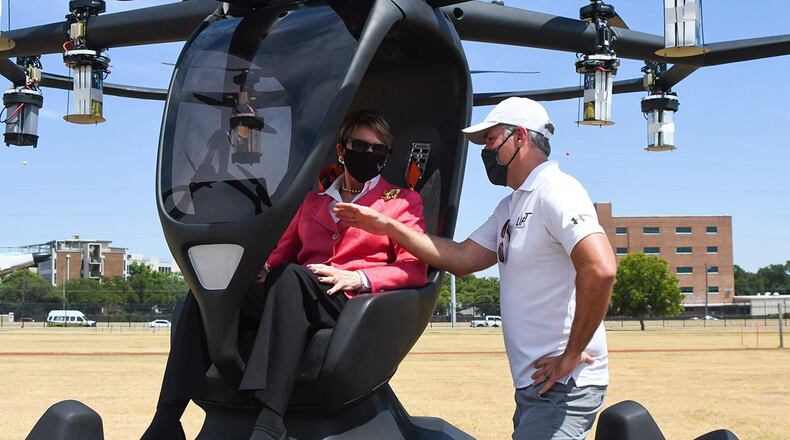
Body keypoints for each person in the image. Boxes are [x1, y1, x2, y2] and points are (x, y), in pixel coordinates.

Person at [334, 97, 617, 440]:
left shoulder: (556, 191)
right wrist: (389, 226)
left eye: (492, 140)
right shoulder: (510, 206)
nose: (487, 151)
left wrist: (571, 354)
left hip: (564, 384)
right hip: (536, 385)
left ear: (521, 138)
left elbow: (600, 268)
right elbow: (463, 258)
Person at [142, 110, 427, 440]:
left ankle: (271, 419)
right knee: (210, 291)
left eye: (379, 150)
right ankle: (167, 418)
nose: (369, 155)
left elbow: (413, 268)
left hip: (349, 300)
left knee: (291, 276)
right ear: (341, 150)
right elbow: (281, 252)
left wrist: (358, 278)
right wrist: (253, 274)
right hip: (299, 290)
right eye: (360, 146)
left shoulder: (402, 202)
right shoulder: (312, 201)